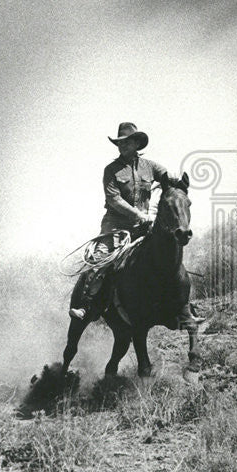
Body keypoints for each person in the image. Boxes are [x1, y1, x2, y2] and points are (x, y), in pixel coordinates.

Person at [69, 122, 169, 322]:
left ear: (136, 143)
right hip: (114, 227)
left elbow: (168, 179)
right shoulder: (111, 170)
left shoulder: (150, 167)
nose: (121, 146)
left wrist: (176, 185)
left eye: (126, 142)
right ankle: (83, 305)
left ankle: (176, 303)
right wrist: (140, 215)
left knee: (166, 253)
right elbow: (114, 199)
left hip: (143, 229)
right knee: (99, 260)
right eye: (119, 143)